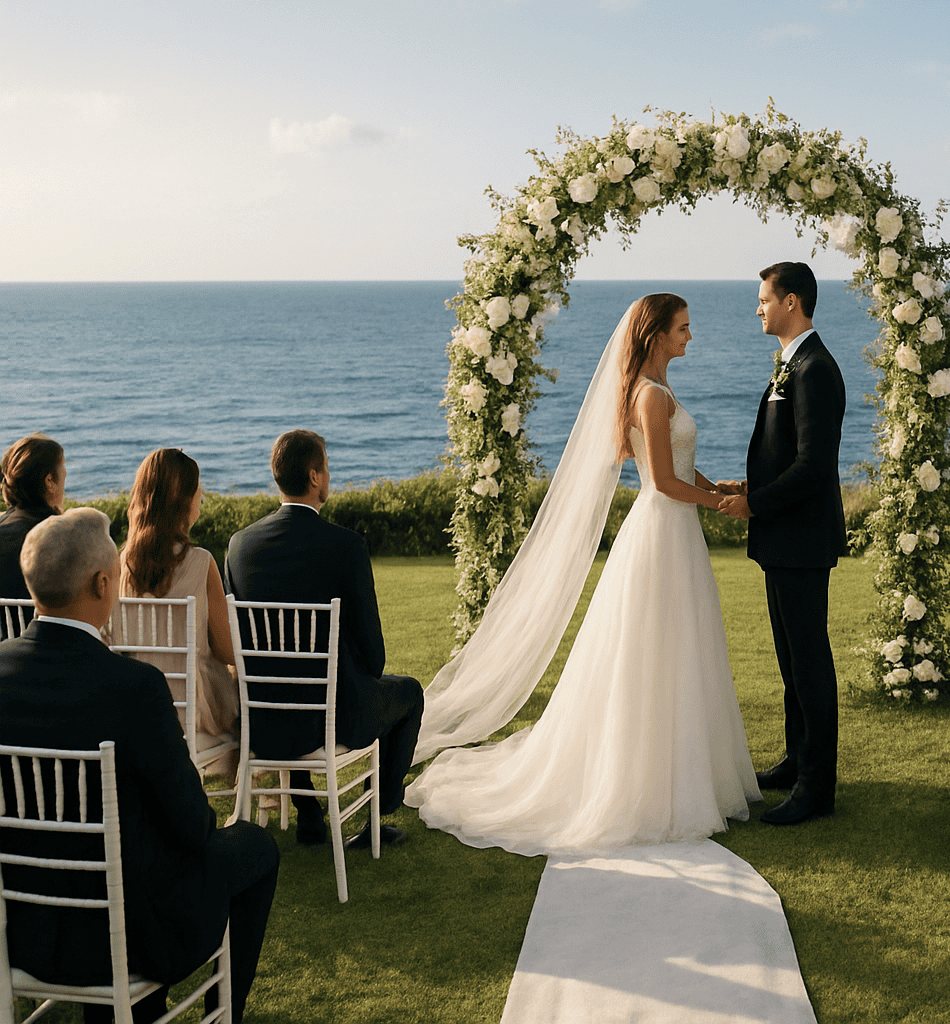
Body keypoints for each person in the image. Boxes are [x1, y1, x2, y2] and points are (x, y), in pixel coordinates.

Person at [405, 293, 759, 854]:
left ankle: (681, 769)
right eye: (684, 328)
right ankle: (641, 780)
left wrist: (716, 485)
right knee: (653, 650)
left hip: (675, 532)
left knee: (678, 648)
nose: (691, 336)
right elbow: (663, 481)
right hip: (661, 529)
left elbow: (674, 463)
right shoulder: (649, 395)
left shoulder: (657, 390)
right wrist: (721, 507)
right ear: (657, 334)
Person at [0, 508, 278, 1024]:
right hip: (127, 937)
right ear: (104, 583)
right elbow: (194, 825)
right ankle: (223, 1015)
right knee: (254, 847)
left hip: (23, 932)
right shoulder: (135, 688)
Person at [224, 430, 423, 848]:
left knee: (289, 679)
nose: (329, 475)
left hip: (263, 720)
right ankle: (377, 814)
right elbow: (373, 658)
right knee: (409, 694)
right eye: (327, 466)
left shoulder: (239, 546)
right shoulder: (344, 546)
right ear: (314, 476)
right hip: (332, 719)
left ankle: (310, 812)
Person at [716, 262, 847, 826]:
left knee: (810, 662)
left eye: (764, 299)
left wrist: (756, 504)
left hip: (800, 539)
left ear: (791, 302)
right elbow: (785, 456)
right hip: (782, 539)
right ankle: (797, 761)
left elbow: (814, 468)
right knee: (792, 662)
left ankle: (817, 787)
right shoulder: (791, 365)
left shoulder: (815, 369)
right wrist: (751, 487)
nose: (758, 308)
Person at [117, 448, 239, 775]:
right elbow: (228, 650)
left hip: (137, 712)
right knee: (244, 687)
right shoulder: (200, 562)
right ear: (185, 501)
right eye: (197, 491)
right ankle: (259, 793)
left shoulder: (119, 566)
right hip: (193, 714)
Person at [0, 432, 65, 605]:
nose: (65, 473)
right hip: (44, 630)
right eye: (63, 466)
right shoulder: (63, 535)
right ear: (50, 481)